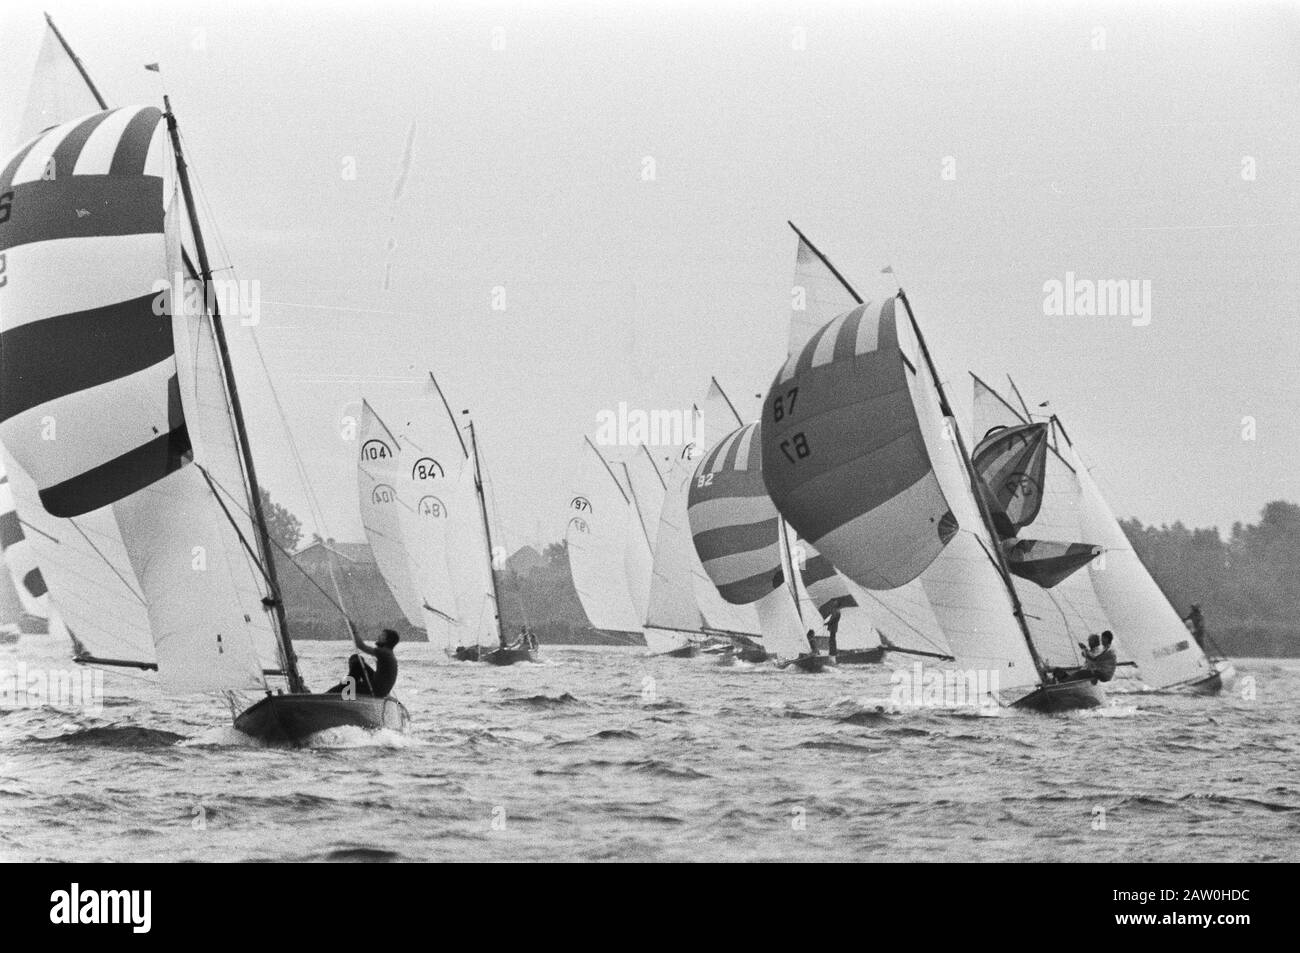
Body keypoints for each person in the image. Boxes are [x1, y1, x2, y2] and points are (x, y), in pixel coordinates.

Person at [327, 622, 400, 698]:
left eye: (382, 636)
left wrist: (354, 630)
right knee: (357, 660)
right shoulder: (388, 653)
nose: (379, 636)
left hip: (376, 690)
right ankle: (351, 682)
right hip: (381, 688)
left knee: (346, 684)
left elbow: (361, 646)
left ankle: (327, 696)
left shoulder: (383, 652)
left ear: (387, 640)